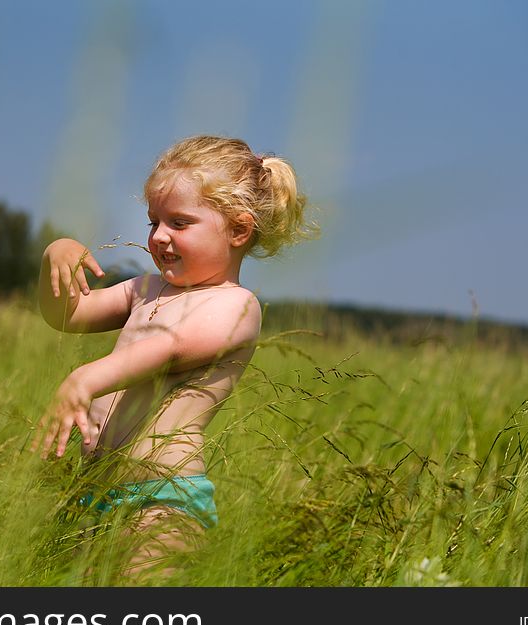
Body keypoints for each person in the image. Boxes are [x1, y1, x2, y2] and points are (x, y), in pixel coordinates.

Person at [32, 135, 315, 578]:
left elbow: (170, 347)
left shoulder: (235, 305)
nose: (159, 237)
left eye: (179, 223)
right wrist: (57, 255)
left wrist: (84, 379)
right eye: (153, 222)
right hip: (92, 494)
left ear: (239, 230)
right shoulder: (144, 290)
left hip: (163, 499)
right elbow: (69, 316)